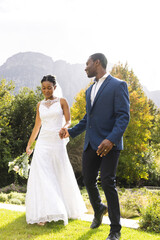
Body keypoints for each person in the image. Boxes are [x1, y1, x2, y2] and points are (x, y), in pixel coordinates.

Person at [59, 53, 130, 240]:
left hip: (109, 144)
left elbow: (123, 116)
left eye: (87, 64)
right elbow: (87, 119)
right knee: (89, 180)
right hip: (91, 143)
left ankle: (115, 230)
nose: (85, 67)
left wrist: (111, 139)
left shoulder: (118, 85)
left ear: (97, 63)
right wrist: (70, 132)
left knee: (108, 182)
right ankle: (99, 209)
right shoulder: (89, 91)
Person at [25, 75, 86, 226]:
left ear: (54, 87)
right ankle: (44, 213)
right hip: (43, 143)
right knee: (43, 175)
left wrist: (65, 127)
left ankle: (62, 208)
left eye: (49, 87)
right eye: (43, 88)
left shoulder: (62, 101)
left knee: (59, 172)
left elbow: (68, 120)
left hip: (56, 142)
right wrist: (29, 144)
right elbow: (37, 126)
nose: (46, 90)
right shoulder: (39, 105)